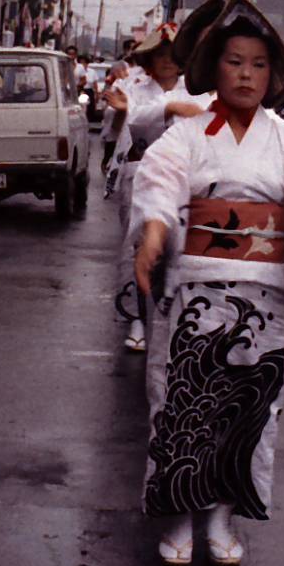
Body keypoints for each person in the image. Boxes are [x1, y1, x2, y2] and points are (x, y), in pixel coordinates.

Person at [131, 0, 284, 566]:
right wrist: (156, 232)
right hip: (194, 291)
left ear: (275, 75)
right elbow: (159, 182)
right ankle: (183, 516)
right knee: (184, 404)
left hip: (260, 297)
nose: (246, 74)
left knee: (248, 409)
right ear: (214, 68)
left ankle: (222, 517)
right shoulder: (185, 135)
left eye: (259, 64)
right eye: (235, 61)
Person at [106, 23, 209, 353]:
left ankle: (176, 317)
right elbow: (121, 127)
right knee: (137, 246)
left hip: (183, 179)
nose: (167, 61)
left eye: (173, 55)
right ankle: (137, 316)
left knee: (179, 248)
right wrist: (161, 110)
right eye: (161, 55)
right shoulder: (132, 85)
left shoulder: (197, 90)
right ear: (149, 58)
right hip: (139, 173)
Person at [99, 61, 129, 173]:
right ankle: (106, 161)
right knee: (112, 137)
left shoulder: (132, 81)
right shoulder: (117, 82)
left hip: (127, 112)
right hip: (115, 112)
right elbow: (108, 95)